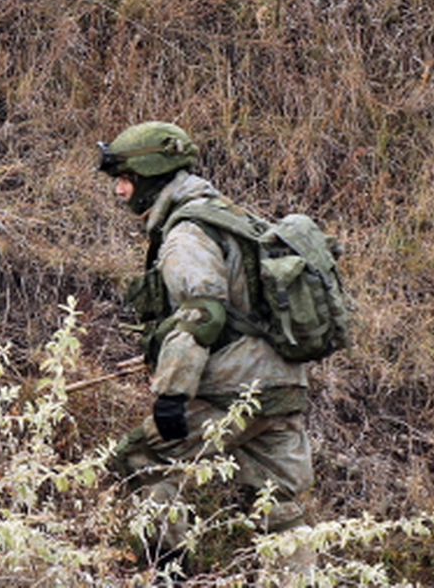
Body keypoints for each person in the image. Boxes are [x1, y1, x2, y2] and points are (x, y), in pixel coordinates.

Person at [98, 122, 315, 581]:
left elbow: (203, 315)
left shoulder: (187, 234)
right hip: (283, 384)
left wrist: (173, 394)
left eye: (124, 179)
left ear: (149, 176)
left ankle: (169, 576)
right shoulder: (231, 217)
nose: (118, 191)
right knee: (278, 509)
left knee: (142, 459)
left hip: (233, 389)